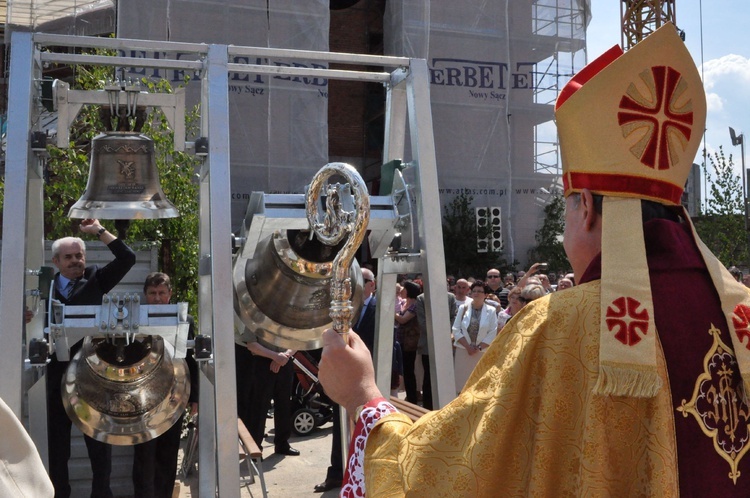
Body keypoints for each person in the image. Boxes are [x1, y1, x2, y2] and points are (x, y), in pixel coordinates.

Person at [318, 24, 750, 496]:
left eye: (564, 209)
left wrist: (364, 399)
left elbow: (449, 475)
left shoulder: (558, 329)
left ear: (585, 208)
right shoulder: (741, 315)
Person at [48, 219, 136, 498]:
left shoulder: (97, 279)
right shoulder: (42, 289)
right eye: (69, 257)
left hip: (93, 377)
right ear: (56, 261)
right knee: (57, 448)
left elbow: (128, 257)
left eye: (80, 256)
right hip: (55, 375)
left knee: (99, 447)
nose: (75, 261)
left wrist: (99, 230)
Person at [132, 272, 199, 498]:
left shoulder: (185, 320)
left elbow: (192, 360)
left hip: (174, 396)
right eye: (153, 293)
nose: (157, 298)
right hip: (142, 398)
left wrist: (195, 398)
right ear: (145, 295)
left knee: (168, 453)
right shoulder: (135, 319)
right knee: (144, 455)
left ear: (170, 294)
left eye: (162, 293)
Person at [313, 267, 377, 493]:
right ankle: (336, 474)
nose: (351, 285)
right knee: (340, 429)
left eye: (361, 280)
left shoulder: (378, 307)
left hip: (369, 378)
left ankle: (365, 478)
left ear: (371, 284)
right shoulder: (335, 308)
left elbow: (391, 341)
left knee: (366, 429)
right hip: (341, 376)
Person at [451, 280, 498, 395]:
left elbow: (493, 332)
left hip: (481, 353)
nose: (476, 293)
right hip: (463, 351)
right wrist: (468, 347)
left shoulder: (491, 311)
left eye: (480, 291)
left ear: (485, 295)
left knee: (478, 386)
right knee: (462, 386)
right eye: (474, 291)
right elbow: (456, 329)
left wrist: (478, 348)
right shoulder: (463, 308)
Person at [415, 290, 457, 409]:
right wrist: (438, 334)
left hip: (446, 344)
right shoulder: (421, 299)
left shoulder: (450, 297)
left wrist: (445, 333)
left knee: (446, 376)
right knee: (429, 377)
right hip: (428, 345)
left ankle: (446, 405)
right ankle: (428, 407)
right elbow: (422, 322)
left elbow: (454, 317)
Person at [393, 280, 421, 404]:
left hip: (409, 344)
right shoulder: (404, 303)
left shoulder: (415, 305)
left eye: (404, 288)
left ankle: (412, 398)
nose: (402, 291)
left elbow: (403, 320)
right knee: (402, 370)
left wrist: (391, 313)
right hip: (400, 341)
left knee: (409, 371)